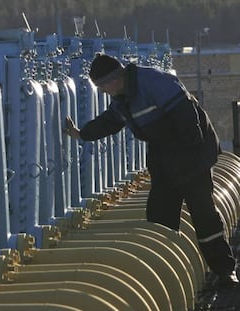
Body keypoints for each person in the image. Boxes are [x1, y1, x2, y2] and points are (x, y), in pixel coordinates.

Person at [64, 53, 238, 287]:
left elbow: (188, 119)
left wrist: (191, 162)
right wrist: (81, 134)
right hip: (164, 154)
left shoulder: (155, 82)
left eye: (103, 86)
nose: (104, 92)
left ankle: (225, 272)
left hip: (191, 153)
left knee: (204, 214)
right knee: (159, 216)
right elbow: (110, 122)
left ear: (114, 78)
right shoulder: (123, 98)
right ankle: (166, 274)